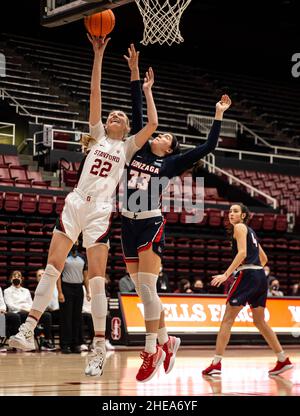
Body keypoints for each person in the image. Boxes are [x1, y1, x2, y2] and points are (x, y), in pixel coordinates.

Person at [9, 36, 158, 379]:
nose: (117, 114)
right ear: (106, 124)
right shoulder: (98, 134)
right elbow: (95, 94)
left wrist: (142, 83)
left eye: (121, 114)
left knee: (95, 281)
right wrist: (99, 54)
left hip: (101, 211)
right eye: (113, 114)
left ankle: (98, 348)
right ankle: (28, 329)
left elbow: (151, 125)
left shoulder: (130, 147)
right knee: (51, 268)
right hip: (75, 203)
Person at [121, 44, 232, 382]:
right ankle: (169, 340)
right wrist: (139, 79)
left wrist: (217, 114)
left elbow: (208, 147)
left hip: (151, 223)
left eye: (165, 136)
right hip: (126, 222)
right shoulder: (138, 146)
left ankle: (152, 349)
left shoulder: (171, 163)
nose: (159, 134)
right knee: (143, 292)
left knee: (149, 289)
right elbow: (138, 113)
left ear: (169, 148)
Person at [202, 203, 293, 376]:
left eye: (235, 211)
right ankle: (282, 359)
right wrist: (254, 268)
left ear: (243, 215)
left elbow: (242, 253)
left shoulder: (239, 227)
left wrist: (227, 274)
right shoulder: (251, 232)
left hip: (248, 276)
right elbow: (264, 259)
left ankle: (216, 363)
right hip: (260, 278)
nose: (231, 214)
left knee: (227, 320)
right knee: (260, 322)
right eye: (229, 211)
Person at [5, 271, 55, 351]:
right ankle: (22, 340)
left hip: (29, 312)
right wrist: (23, 309)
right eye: (14, 276)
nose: (17, 278)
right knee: (22, 315)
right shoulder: (7, 291)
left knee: (47, 315)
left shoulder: (26, 291)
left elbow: (31, 304)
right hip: (17, 312)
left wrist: (30, 310)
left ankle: (46, 341)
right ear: (11, 279)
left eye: (19, 276)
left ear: (21, 279)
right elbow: (10, 305)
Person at [57, 245, 88, 353]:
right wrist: (60, 292)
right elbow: (58, 276)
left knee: (77, 318)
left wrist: (88, 291)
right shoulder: (63, 256)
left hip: (79, 288)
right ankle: (65, 345)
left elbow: (86, 275)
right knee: (66, 318)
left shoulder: (82, 257)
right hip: (66, 288)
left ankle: (76, 344)